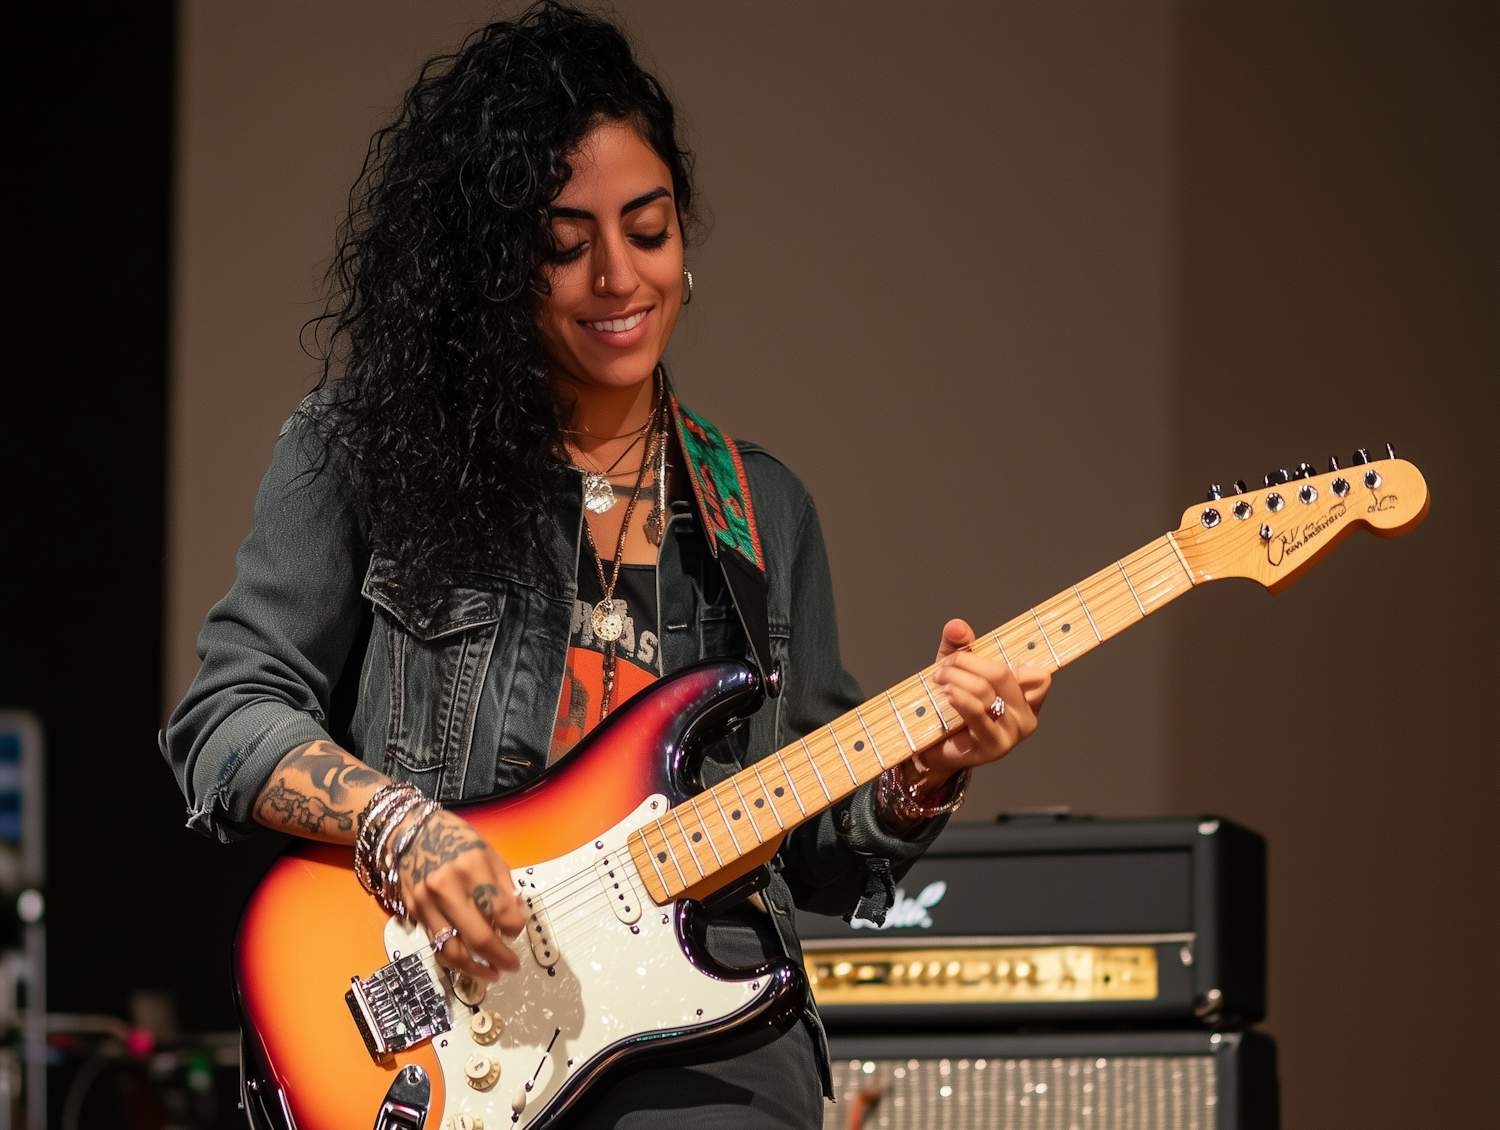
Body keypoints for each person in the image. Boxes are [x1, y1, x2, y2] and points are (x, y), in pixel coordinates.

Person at [164, 5, 1049, 1127]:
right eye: (564, 244)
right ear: (494, 269)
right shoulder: (362, 449)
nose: (619, 277)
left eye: (649, 229)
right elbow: (227, 717)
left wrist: (927, 767)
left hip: (704, 1024)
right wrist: (404, 827)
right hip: (448, 1009)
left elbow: (821, 854)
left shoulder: (763, 508)